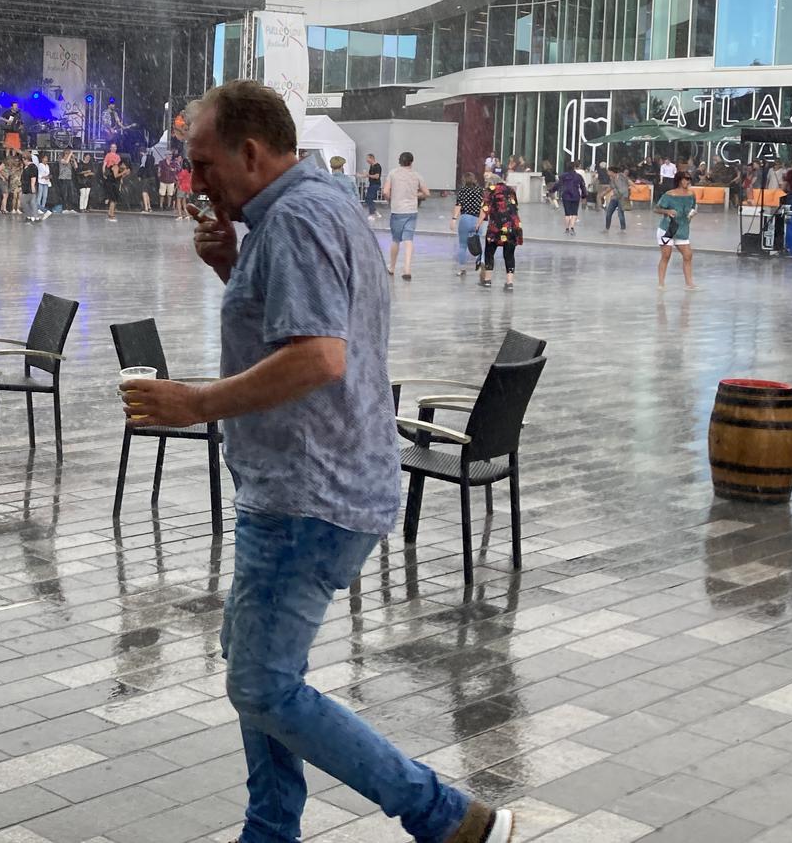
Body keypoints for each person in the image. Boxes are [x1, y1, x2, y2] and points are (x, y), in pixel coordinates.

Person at [121, 81, 514, 843]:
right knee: (253, 662)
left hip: (309, 491)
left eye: (203, 164)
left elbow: (317, 358)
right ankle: (271, 830)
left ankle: (447, 818)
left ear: (252, 152)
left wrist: (195, 402)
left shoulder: (296, 219)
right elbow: (299, 323)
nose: (193, 182)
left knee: (261, 681)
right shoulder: (316, 204)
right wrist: (234, 266)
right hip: (318, 478)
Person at [382, 151, 429, 281]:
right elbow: (426, 193)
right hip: (412, 211)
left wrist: (390, 199)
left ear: (399, 161)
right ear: (411, 162)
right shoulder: (416, 175)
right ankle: (407, 269)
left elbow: (385, 191)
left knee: (396, 240)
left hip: (397, 210)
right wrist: (415, 195)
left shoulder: (392, 174)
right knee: (408, 239)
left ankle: (392, 266)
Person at [656, 170, 699, 289]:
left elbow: (692, 207)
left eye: (689, 179)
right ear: (679, 180)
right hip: (668, 229)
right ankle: (661, 283)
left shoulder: (691, 194)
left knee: (688, 255)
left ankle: (689, 283)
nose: (687, 181)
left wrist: (692, 214)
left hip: (683, 228)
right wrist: (667, 211)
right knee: (666, 255)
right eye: (685, 178)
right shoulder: (669, 194)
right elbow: (657, 208)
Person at [480, 174, 522, 290]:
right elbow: (515, 206)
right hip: (512, 226)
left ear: (491, 183)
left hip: (496, 227)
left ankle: (487, 280)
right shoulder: (511, 190)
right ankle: (509, 282)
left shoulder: (490, 191)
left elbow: (485, 209)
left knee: (489, 252)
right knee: (509, 254)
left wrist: (478, 224)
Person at [452, 172, 485, 277]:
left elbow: (458, 205)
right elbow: (483, 207)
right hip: (477, 220)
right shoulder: (480, 191)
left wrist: (454, 219)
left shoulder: (462, 191)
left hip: (465, 219)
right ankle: (481, 264)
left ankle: (462, 269)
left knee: (462, 246)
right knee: (478, 245)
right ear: (474, 179)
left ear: (464, 180)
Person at [555, 160, 586, 234]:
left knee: (567, 213)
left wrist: (551, 190)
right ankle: (572, 227)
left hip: (566, 195)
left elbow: (558, 185)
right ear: (574, 167)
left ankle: (566, 229)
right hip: (576, 195)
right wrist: (584, 195)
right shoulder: (579, 176)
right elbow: (582, 186)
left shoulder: (563, 176)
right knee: (574, 213)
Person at [26, 151, 53, 222]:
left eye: (47, 158)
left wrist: (48, 177)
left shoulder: (47, 166)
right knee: (40, 195)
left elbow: (48, 173)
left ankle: (42, 208)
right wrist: (44, 177)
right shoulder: (40, 165)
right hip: (41, 181)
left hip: (46, 182)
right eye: (45, 158)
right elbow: (39, 174)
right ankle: (38, 208)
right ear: (42, 159)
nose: (46, 160)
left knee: (45, 196)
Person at [603, 161, 630, 231]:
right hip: (615, 197)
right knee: (608, 213)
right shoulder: (612, 179)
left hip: (622, 198)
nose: (607, 173)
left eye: (608, 171)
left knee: (620, 214)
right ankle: (607, 228)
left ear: (612, 172)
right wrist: (603, 194)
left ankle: (623, 229)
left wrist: (635, 187)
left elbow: (627, 184)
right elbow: (611, 187)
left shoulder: (621, 176)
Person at [102, 145, 124, 221]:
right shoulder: (108, 155)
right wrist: (104, 173)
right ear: (110, 148)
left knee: (114, 198)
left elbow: (120, 168)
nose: (114, 148)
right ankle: (111, 214)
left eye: (115, 147)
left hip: (115, 178)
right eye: (112, 147)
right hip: (110, 177)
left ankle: (111, 213)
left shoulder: (118, 157)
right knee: (113, 197)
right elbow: (104, 164)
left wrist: (121, 178)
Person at [52, 148, 74, 214]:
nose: (68, 154)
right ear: (65, 153)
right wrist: (70, 155)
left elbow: (76, 166)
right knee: (64, 194)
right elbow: (65, 162)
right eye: (67, 153)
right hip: (63, 178)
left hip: (69, 178)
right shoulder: (60, 158)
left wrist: (73, 160)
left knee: (70, 194)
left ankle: (70, 208)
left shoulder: (69, 160)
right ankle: (64, 208)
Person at [363, 153, 382, 220]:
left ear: (372, 158)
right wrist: (361, 175)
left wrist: (368, 175)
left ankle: (372, 214)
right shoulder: (371, 166)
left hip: (375, 184)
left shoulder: (377, 166)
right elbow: (369, 175)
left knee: (369, 198)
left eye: (367, 159)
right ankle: (375, 212)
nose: (367, 160)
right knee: (367, 199)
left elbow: (377, 176)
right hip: (372, 184)